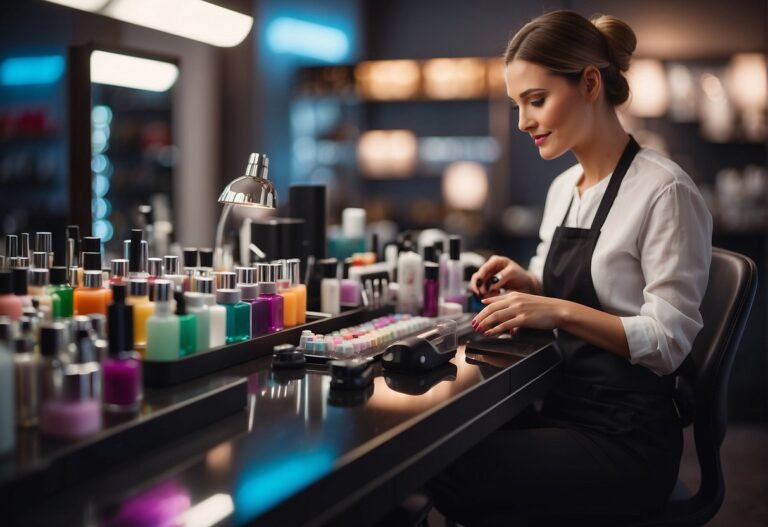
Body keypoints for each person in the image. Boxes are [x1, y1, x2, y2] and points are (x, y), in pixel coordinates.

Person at [429, 10, 712, 526]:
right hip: (562, 406)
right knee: (439, 444)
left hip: (627, 436)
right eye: (517, 105)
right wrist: (528, 282)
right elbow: (556, 277)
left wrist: (557, 309)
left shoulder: (664, 190)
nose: (522, 122)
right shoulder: (564, 189)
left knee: (455, 470)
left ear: (589, 83)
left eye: (536, 101)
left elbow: (670, 343)